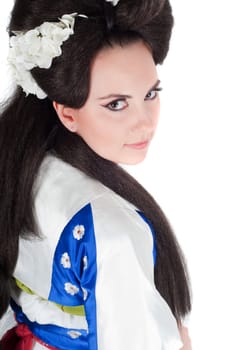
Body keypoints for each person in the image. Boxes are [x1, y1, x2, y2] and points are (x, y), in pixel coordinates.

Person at [0, 0, 192, 349]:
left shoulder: (17, 163)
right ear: (67, 113)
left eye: (151, 94)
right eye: (116, 103)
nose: (145, 122)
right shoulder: (108, 227)